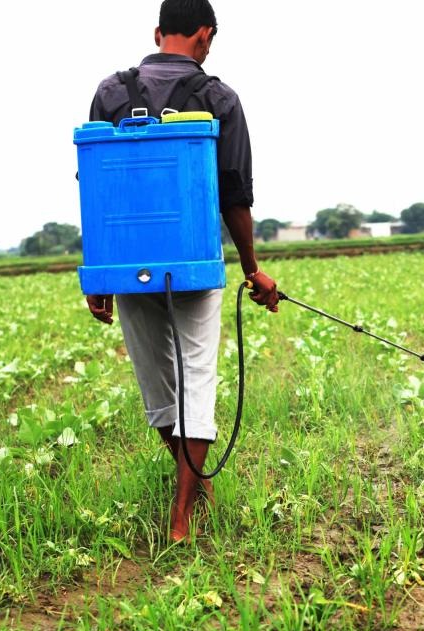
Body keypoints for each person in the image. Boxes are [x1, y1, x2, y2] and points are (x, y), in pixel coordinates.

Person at [84, 0, 279, 542]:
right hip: (192, 265)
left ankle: (190, 494)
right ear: (206, 35)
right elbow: (235, 194)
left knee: (159, 390)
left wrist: (99, 275)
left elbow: (96, 187)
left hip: (127, 265)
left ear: (157, 32)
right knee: (196, 378)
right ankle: (182, 516)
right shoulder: (220, 99)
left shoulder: (110, 93)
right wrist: (252, 268)